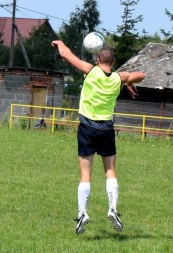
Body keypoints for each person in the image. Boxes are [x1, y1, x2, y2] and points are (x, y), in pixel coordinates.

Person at [51, 40, 146, 235]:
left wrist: (60, 42)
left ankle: (82, 213)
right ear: (114, 61)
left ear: (97, 59)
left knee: (85, 174)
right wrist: (126, 81)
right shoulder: (118, 78)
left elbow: (66, 55)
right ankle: (112, 208)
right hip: (106, 130)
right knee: (110, 170)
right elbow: (141, 75)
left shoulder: (90, 71)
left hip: (86, 128)